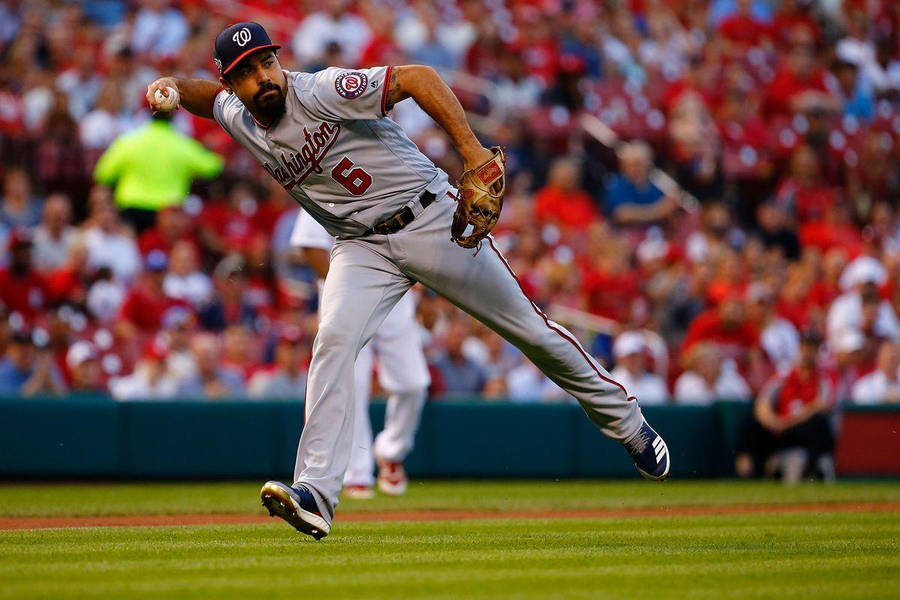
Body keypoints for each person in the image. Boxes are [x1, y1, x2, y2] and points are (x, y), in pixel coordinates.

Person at [147, 22, 669, 540]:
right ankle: (315, 495)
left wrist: (471, 151)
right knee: (332, 341)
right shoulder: (240, 116)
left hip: (427, 220)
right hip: (360, 246)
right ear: (233, 82)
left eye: (267, 62)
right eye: (247, 72)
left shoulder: (320, 90)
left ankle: (627, 422)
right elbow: (204, 98)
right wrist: (170, 88)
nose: (264, 77)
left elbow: (417, 77)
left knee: (528, 331)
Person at [291, 208, 430, 498]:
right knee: (352, 385)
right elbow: (310, 246)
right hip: (345, 299)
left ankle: (391, 451)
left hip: (395, 294)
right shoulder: (324, 181)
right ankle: (356, 473)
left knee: (413, 382)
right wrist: (353, 289)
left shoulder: (391, 179)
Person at [93, 111, 223, 233]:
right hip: (167, 214)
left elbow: (103, 173)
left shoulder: (130, 141)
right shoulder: (182, 144)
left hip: (131, 209)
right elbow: (213, 167)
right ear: (173, 116)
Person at [735, 330, 835, 483]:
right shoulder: (785, 374)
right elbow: (763, 401)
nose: (808, 352)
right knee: (750, 420)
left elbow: (819, 407)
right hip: (780, 428)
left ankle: (810, 470)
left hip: (801, 429)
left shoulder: (823, 378)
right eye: (805, 347)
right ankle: (748, 468)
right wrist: (772, 421)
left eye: (812, 348)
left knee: (819, 423)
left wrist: (787, 422)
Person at [609, 331, 669, 405]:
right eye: (631, 356)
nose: (636, 360)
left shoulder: (656, 384)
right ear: (620, 358)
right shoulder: (611, 384)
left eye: (639, 355)